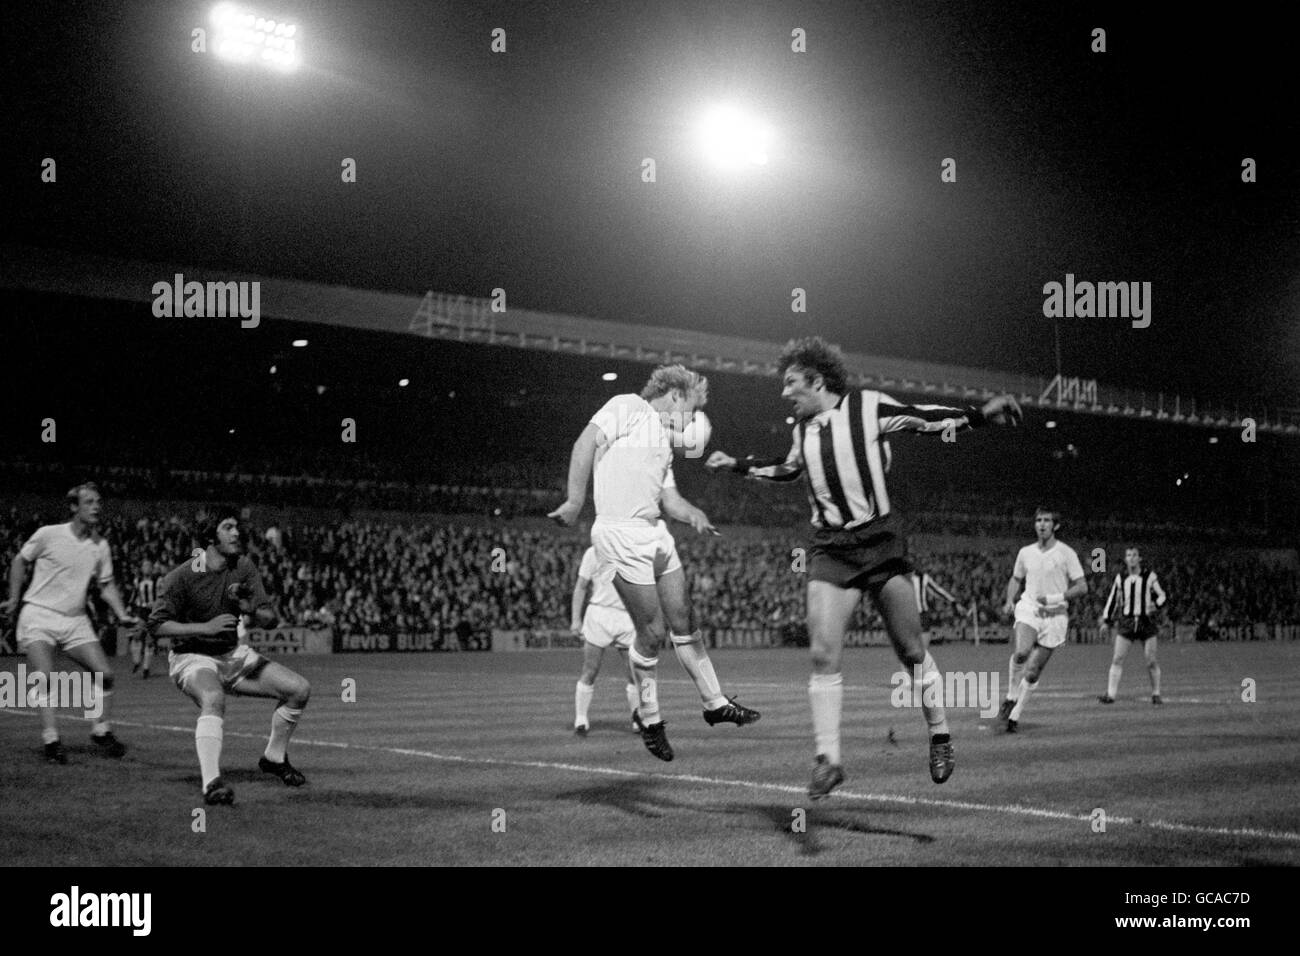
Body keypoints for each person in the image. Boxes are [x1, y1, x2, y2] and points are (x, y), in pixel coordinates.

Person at [707, 337, 1023, 798]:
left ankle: (939, 735)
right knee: (821, 652)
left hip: (879, 542)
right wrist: (737, 466)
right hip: (830, 548)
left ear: (817, 381)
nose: (784, 392)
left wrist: (978, 415)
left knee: (911, 652)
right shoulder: (802, 431)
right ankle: (829, 760)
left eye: (791, 383)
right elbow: (788, 469)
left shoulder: (868, 407)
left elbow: (926, 419)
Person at [549, 364, 760, 763]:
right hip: (620, 532)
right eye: (693, 410)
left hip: (654, 530)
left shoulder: (662, 438)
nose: (692, 421)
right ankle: (650, 719)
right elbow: (585, 443)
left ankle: (715, 703)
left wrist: (693, 512)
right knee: (651, 632)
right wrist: (576, 501)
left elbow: (670, 500)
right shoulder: (626, 405)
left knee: (685, 618)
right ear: (676, 395)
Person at [147, 508, 310, 805]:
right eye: (227, 527)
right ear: (210, 536)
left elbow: (270, 619)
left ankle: (274, 757)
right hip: (191, 657)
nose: (236, 533)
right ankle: (212, 784)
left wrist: (249, 608)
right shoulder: (182, 575)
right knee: (213, 698)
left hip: (232, 655)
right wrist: (205, 627)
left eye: (236, 527)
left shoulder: (243, 566)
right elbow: (156, 626)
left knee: (298, 690)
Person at [0, 483, 136, 764]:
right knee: (45, 676)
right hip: (39, 615)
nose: (96, 506)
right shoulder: (49, 534)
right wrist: (14, 599)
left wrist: (122, 614)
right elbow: (19, 560)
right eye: (89, 502)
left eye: (98, 501)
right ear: (74, 507)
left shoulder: (100, 545)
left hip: (75, 620)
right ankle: (51, 739)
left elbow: (107, 585)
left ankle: (100, 730)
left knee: (105, 674)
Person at [996, 508, 1087, 732]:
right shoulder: (1025, 552)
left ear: (1055, 526)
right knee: (1021, 652)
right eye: (1038, 520)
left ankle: (1014, 716)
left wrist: (1055, 598)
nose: (1042, 524)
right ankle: (1011, 696)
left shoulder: (1067, 553)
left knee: (1033, 671)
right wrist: (1009, 599)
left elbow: (1082, 587)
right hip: (1029, 608)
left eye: (1047, 520)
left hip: (1055, 617)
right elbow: (1016, 578)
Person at [570, 546, 640, 735]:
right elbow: (581, 586)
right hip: (599, 613)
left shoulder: (634, 550)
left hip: (627, 617)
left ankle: (637, 718)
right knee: (590, 669)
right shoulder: (593, 552)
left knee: (634, 673)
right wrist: (575, 619)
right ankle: (581, 719)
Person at [1098, 547, 1167, 705]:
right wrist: (1106, 621)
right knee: (1117, 658)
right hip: (1127, 622)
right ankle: (1110, 695)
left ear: (1140, 558)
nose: (1132, 558)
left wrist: (1156, 604)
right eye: (1129, 555)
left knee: (1151, 660)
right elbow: (1113, 600)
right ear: (1126, 559)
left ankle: (1156, 694)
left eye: (1135, 555)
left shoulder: (1149, 576)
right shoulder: (1120, 578)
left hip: (1146, 622)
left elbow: (1162, 595)